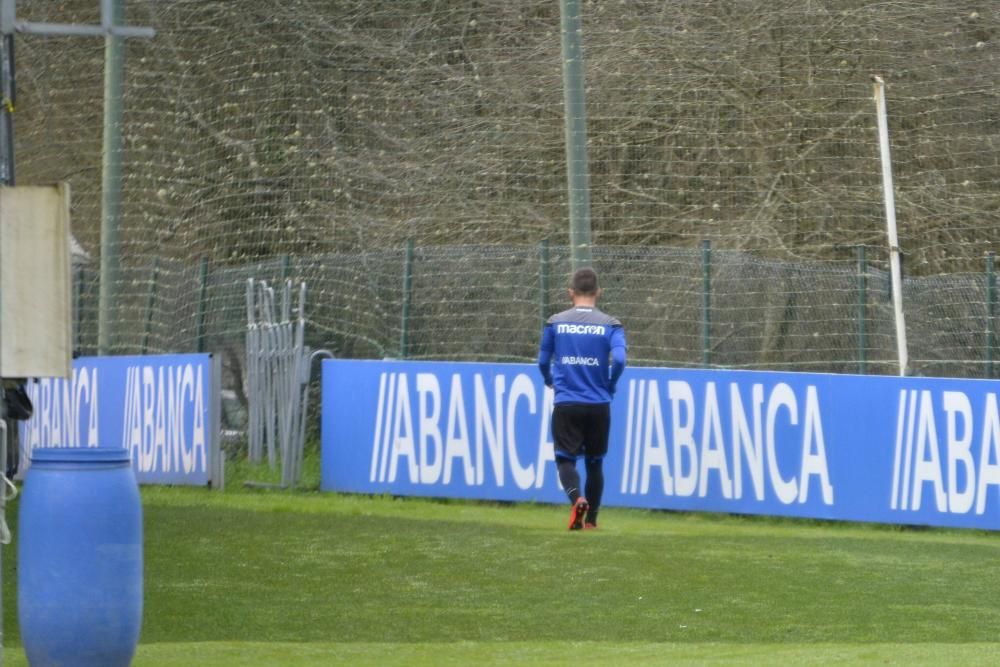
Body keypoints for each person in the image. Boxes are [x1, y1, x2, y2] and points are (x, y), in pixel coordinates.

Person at [537, 267, 627, 530]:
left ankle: (577, 499)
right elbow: (620, 359)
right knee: (595, 462)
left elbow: (543, 360)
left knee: (565, 460)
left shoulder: (555, 322)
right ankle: (592, 521)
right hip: (599, 404)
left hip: (567, 402)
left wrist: (548, 379)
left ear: (570, 293)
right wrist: (610, 383)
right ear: (599, 292)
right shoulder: (611, 324)